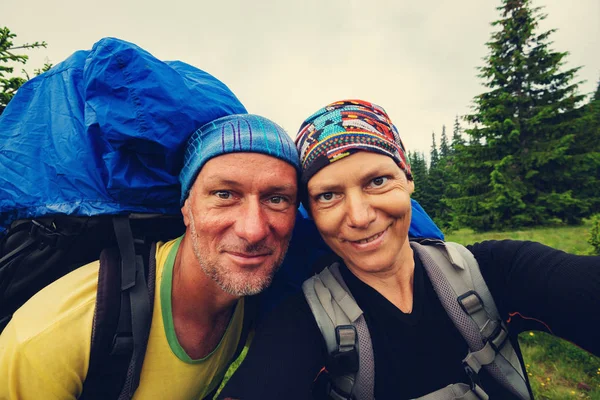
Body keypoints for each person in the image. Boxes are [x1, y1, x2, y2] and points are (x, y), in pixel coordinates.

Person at [219, 100, 600, 400]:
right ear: (311, 212)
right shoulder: (303, 321)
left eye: (378, 181)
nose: (360, 215)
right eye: (329, 195)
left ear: (408, 178)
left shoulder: (497, 271)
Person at [0, 113, 301, 399]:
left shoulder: (251, 304)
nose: (253, 230)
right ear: (186, 207)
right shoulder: (51, 336)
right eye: (224, 194)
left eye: (277, 199)